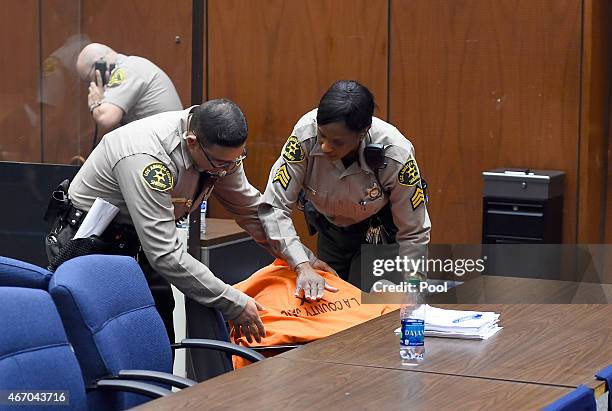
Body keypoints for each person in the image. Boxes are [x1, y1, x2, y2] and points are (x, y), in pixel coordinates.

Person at [46, 100, 268, 347]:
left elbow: (251, 208)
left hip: (142, 247)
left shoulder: (218, 151)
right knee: (98, 351)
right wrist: (232, 302)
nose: (227, 170)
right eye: (221, 164)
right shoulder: (148, 156)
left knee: (159, 343)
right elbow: (163, 254)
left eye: (236, 160)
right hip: (93, 249)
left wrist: (300, 260)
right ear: (192, 142)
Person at [259, 80, 431, 299]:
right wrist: (302, 265)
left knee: (370, 306)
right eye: (322, 136)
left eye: (337, 142)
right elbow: (275, 206)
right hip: (330, 230)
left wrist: (413, 290)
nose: (325, 147)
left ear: (362, 133)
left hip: (378, 234)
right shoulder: (305, 135)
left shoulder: (395, 153)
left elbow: (414, 232)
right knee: (329, 302)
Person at [75, 43, 182, 134]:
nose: (91, 85)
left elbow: (106, 118)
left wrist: (95, 104)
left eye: (90, 79)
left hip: (164, 147)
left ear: (100, 66)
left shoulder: (126, 71)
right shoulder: (132, 65)